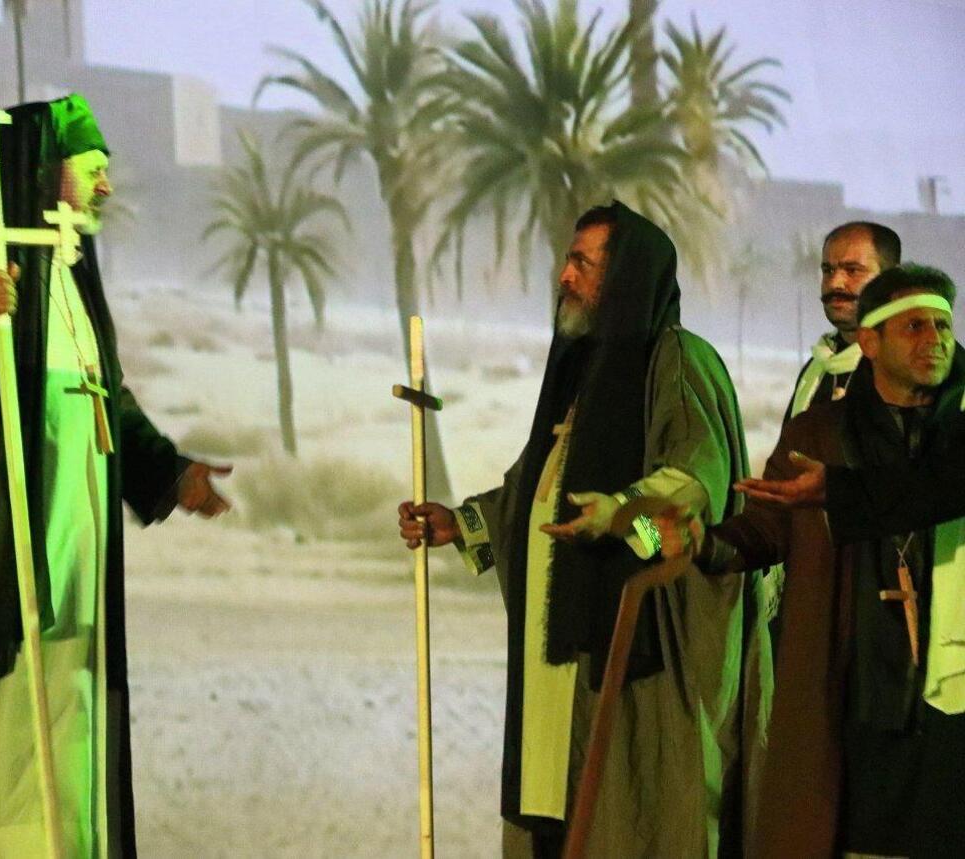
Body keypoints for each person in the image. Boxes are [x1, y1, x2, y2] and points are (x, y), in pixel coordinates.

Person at [0, 94, 231, 858]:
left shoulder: (74, 278)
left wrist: (169, 472)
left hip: (77, 559)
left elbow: (103, 396)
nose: (106, 186)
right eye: (92, 169)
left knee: (69, 701)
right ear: (47, 170)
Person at [397, 202, 765, 857]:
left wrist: (622, 511)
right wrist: (463, 524)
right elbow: (537, 491)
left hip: (635, 646)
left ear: (626, 279)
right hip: (557, 656)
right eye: (568, 262)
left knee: (629, 813)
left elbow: (695, 479)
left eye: (582, 265)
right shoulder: (581, 370)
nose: (564, 277)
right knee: (554, 809)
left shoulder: (678, 360)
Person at [658, 264, 964, 858]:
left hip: (951, 701)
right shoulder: (819, 434)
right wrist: (683, 540)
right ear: (869, 341)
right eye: (914, 327)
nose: (935, 340)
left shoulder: (960, 433)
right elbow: (765, 530)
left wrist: (839, 492)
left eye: (943, 325)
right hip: (853, 695)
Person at [785, 222, 901, 421]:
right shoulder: (818, 368)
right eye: (828, 270)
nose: (834, 283)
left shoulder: (910, 372)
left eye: (853, 270)